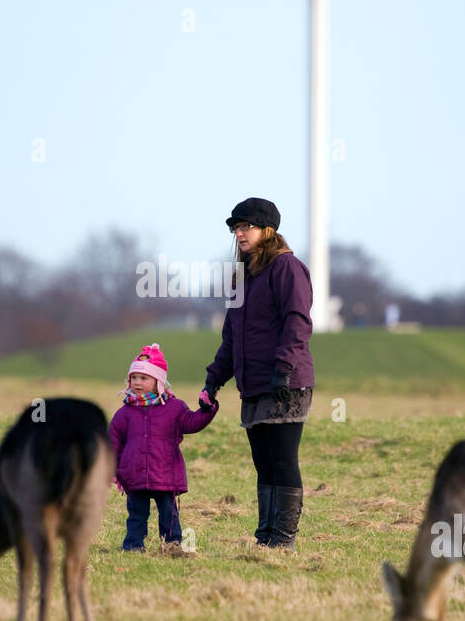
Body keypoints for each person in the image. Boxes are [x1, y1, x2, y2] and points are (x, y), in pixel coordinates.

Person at [202, 197, 315, 549]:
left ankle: (283, 540)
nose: (239, 234)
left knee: (282, 461)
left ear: (267, 230)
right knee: (263, 464)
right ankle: (265, 538)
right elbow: (231, 337)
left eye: (245, 227)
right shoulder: (241, 277)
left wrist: (283, 369)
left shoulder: (287, 268)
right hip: (252, 385)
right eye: (235, 229)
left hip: (285, 383)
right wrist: (214, 379)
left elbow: (297, 322)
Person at [109, 343, 218, 551]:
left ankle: (173, 543)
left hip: (165, 473)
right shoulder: (124, 413)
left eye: (144, 378)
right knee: (136, 513)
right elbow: (113, 441)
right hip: (134, 473)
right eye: (134, 378)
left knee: (168, 512)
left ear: (158, 382)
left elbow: (192, 423)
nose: (137, 383)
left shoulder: (175, 408)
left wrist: (208, 408)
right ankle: (133, 544)